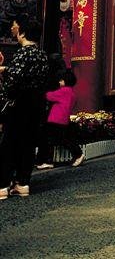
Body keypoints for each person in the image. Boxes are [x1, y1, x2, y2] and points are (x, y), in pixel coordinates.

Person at [0, 16, 49, 199]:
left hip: (18, 105)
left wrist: (5, 89)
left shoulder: (23, 53)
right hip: (35, 105)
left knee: (9, 144)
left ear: (23, 32)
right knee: (27, 144)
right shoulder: (42, 55)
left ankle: (2, 185)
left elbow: (13, 82)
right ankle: (22, 183)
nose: (14, 31)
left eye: (16, 28)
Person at [36, 69, 84, 169]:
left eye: (61, 80)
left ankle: (77, 154)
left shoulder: (63, 91)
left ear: (65, 81)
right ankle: (77, 154)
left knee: (50, 139)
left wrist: (42, 90)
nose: (59, 81)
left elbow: (49, 96)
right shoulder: (72, 93)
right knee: (62, 139)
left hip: (55, 119)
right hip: (63, 119)